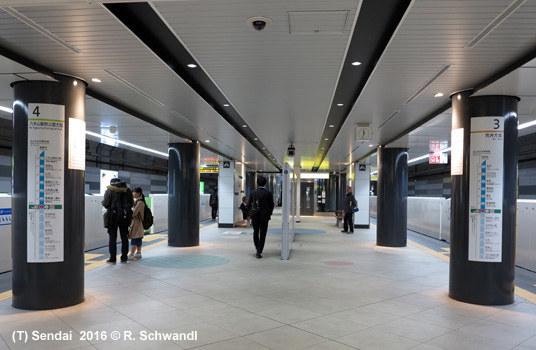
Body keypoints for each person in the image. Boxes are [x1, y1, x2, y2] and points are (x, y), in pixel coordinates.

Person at [102, 178, 134, 263]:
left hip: (113, 217)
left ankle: (113, 258)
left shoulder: (109, 191)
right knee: (124, 237)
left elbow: (105, 204)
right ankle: (124, 258)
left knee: (112, 238)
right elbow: (131, 204)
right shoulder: (127, 190)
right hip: (124, 217)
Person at [248, 177, 274, 258]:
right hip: (265, 216)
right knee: (263, 234)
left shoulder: (253, 192)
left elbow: (249, 204)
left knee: (255, 232)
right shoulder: (268, 193)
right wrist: (269, 213)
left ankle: (257, 247)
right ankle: (259, 251)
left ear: (257, 183)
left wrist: (248, 215)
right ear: (265, 183)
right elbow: (271, 205)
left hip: (255, 215)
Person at [128, 187, 146, 261]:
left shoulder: (140, 202)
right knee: (138, 237)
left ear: (139, 193)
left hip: (137, 223)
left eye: (134, 192)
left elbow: (133, 213)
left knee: (134, 237)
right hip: (138, 222)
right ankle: (138, 253)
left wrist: (130, 208)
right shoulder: (138, 201)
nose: (132, 194)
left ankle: (132, 254)